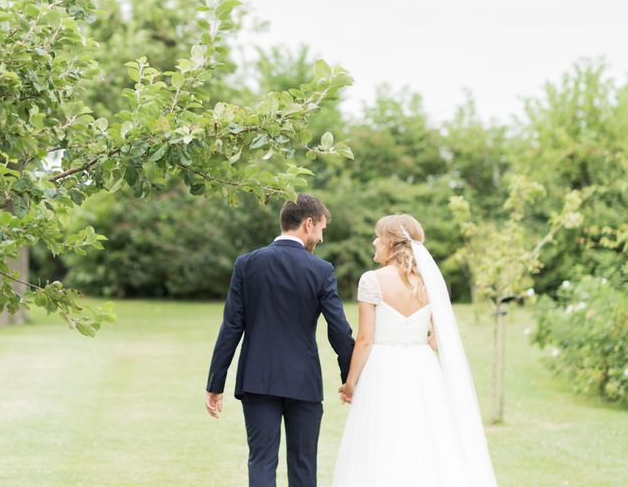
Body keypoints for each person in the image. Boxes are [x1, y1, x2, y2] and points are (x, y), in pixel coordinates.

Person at [332, 214, 498, 487]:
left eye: (377, 237)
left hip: (382, 369)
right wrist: (418, 345)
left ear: (389, 242)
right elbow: (438, 339)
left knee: (381, 440)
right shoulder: (429, 282)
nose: (374, 242)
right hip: (422, 368)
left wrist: (350, 383)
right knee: (425, 437)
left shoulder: (371, 280)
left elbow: (364, 340)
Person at [205, 194, 355, 487]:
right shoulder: (321, 270)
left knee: (261, 461)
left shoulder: (246, 264)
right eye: (322, 229)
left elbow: (231, 327)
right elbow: (338, 329)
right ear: (308, 224)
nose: (321, 238)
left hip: (257, 379)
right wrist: (350, 377)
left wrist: (215, 382)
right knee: (303, 465)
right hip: (304, 382)